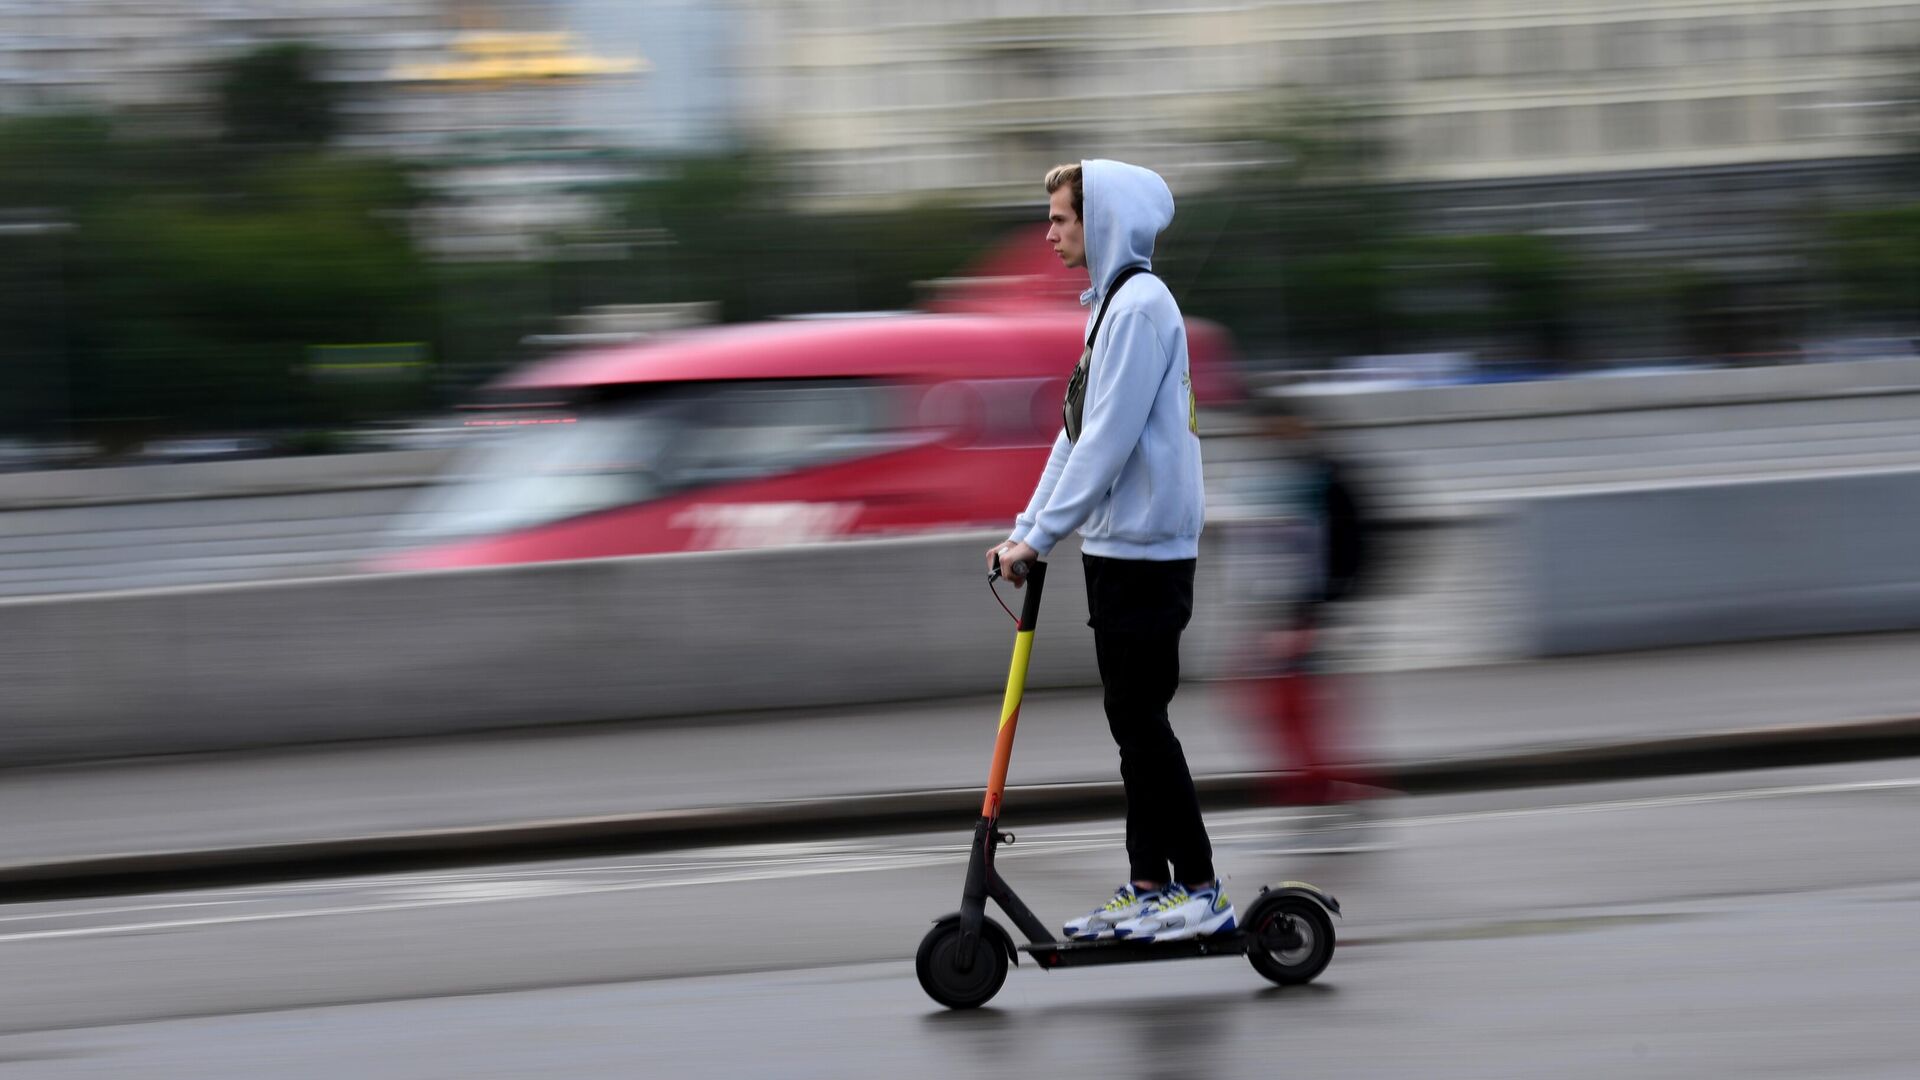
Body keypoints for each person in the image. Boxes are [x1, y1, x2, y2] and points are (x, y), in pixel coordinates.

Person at [986, 160, 1232, 944]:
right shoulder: (1110, 311)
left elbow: (1109, 445)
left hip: (1148, 554)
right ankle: (1148, 885)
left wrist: (1040, 535)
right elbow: (1074, 437)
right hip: (1119, 548)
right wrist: (1029, 526)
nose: (1050, 232)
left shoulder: (1140, 310)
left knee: (1142, 721)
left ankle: (1198, 888)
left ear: (1102, 222)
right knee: (1133, 723)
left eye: (1060, 217)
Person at [1226, 393, 1377, 811]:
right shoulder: (1289, 474)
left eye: (1271, 426)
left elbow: (1348, 546)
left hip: (1307, 612)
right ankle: (1322, 790)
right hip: (1290, 611)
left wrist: (1326, 610)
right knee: (1286, 704)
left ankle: (1325, 792)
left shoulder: (1323, 477)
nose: (1262, 436)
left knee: (1291, 705)